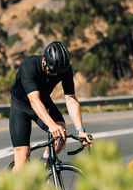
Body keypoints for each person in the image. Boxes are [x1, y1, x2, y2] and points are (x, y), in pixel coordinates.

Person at [9, 41, 93, 172]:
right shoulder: (29, 65)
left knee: (61, 134)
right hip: (21, 106)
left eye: (58, 73)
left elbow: (71, 99)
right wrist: (51, 125)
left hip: (44, 101)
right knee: (22, 156)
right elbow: (34, 100)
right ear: (44, 61)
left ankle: (45, 164)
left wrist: (80, 130)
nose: (55, 75)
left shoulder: (65, 70)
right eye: (52, 71)